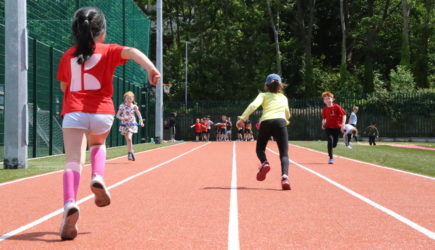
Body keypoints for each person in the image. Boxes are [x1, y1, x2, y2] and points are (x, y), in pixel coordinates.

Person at [57, 7, 160, 240]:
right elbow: (132, 51)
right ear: (102, 31)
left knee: (73, 160)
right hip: (102, 113)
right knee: (97, 145)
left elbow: (64, 88)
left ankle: (70, 204)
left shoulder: (67, 55)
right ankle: (98, 176)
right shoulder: (108, 51)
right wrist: (151, 68)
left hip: (74, 112)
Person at [237, 74, 291, 190]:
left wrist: (242, 119)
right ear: (280, 85)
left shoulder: (263, 95)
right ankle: (285, 177)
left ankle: (265, 162)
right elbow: (287, 113)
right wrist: (285, 119)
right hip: (280, 123)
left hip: (266, 122)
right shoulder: (283, 97)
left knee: (260, 149)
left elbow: (253, 105)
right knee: (284, 153)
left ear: (266, 85)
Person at [116, 91, 144, 161]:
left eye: (130, 98)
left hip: (132, 124)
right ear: (125, 99)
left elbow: (139, 115)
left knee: (129, 138)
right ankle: (131, 151)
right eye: (127, 98)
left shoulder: (134, 106)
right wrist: (123, 118)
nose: (129, 100)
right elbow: (117, 115)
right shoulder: (122, 106)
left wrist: (141, 122)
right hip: (124, 124)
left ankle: (129, 153)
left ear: (132, 99)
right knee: (128, 140)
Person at [321, 91, 346, 164]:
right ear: (324, 101)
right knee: (330, 141)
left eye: (329, 98)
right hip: (328, 128)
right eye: (325, 99)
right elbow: (324, 118)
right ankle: (331, 157)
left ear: (332, 99)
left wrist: (343, 125)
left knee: (334, 144)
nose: (327, 100)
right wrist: (323, 124)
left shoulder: (337, 107)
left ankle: (332, 147)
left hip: (337, 128)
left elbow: (344, 115)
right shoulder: (324, 109)